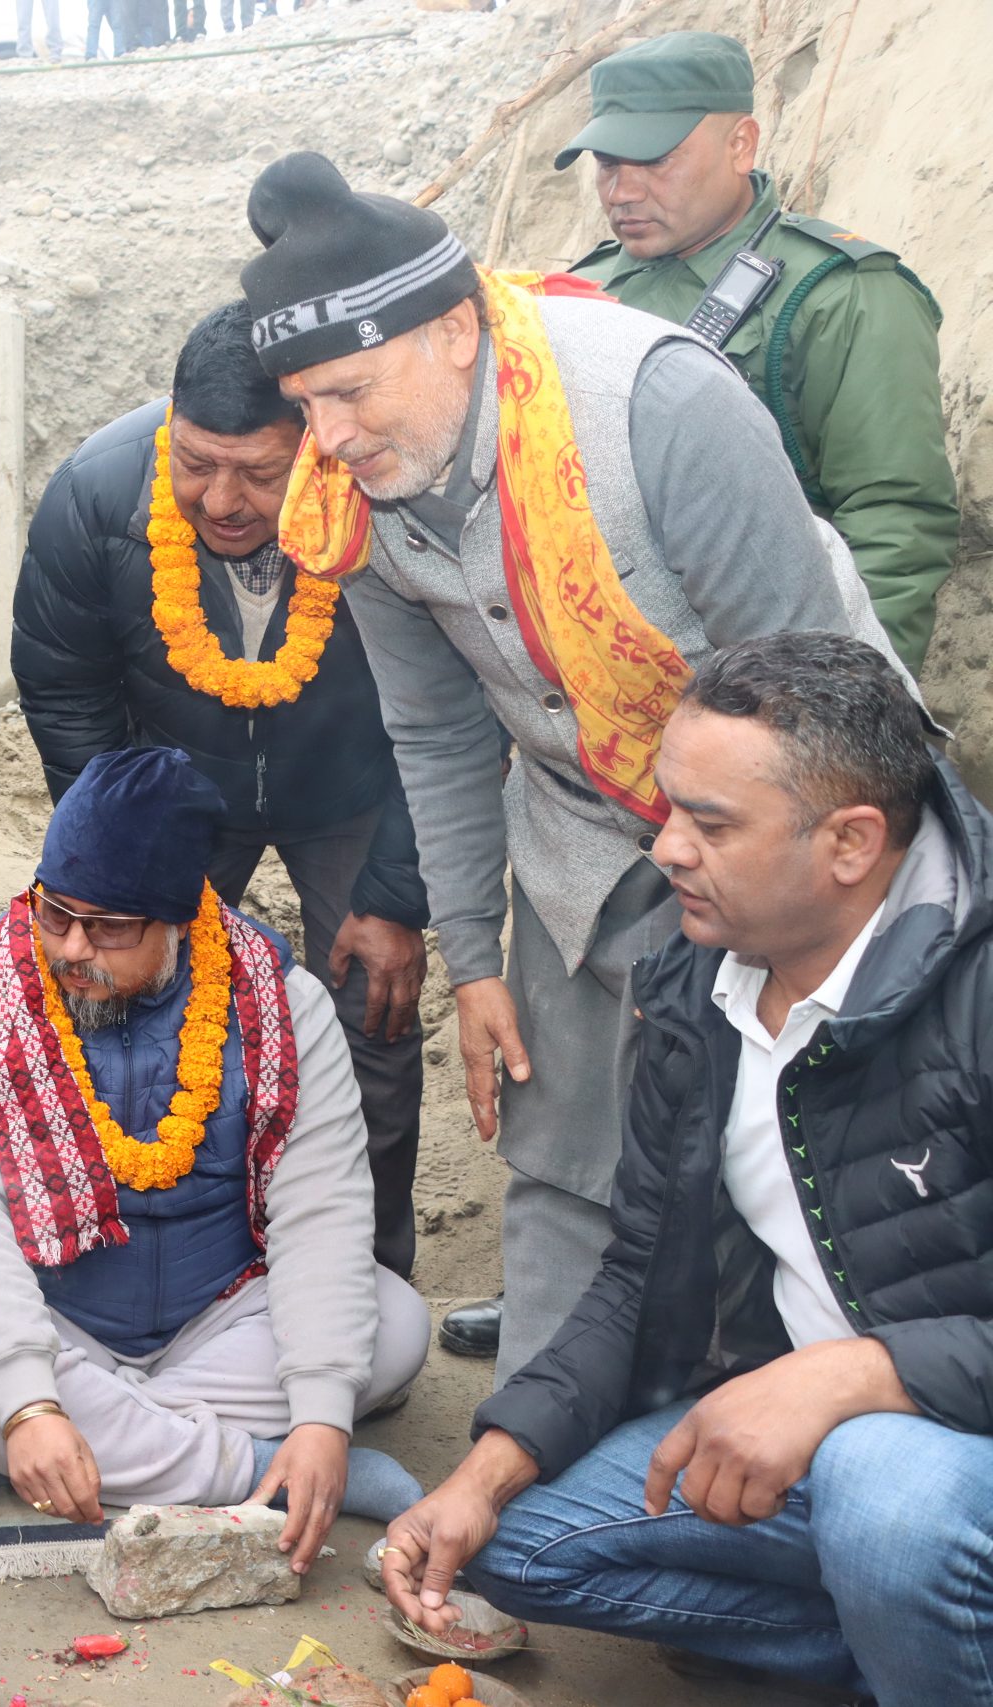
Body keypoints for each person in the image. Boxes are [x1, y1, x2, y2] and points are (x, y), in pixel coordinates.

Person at [239, 151, 906, 1378]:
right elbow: (437, 735)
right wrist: (476, 961)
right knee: (562, 1155)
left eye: (347, 392)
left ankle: (801, 1412)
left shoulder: (656, 406)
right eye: (302, 403)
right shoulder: (355, 500)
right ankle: (537, 1462)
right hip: (581, 824)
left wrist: (780, 931)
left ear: (451, 331)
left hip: (806, 809)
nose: (323, 438)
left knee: (807, 1134)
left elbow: (811, 700)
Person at [382, 633, 993, 1707]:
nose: (664, 850)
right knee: (508, 1544)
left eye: (709, 825)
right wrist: (483, 1473)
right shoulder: (689, 986)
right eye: (664, 809)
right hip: (818, 1446)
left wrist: (850, 1376)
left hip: (935, 1449)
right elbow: (634, 1273)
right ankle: (907, 1634)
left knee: (886, 1500)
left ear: (850, 842)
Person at [0, 748, 428, 1559]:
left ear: (180, 916)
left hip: (221, 1313)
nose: (71, 948)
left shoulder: (283, 998)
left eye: (107, 928)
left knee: (395, 1326)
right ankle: (239, 1465)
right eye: (54, 912)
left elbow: (322, 1211)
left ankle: (47, 1448)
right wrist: (31, 1401)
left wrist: (318, 1414)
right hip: (52, 1318)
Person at [13, 299, 430, 1278]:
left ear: (313, 439)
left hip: (350, 790)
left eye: (257, 471)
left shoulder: (382, 492)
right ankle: (141, 1268)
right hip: (177, 784)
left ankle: (363, 1289)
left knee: (372, 1016)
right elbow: (65, 689)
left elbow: (445, 709)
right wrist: (125, 864)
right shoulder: (95, 496)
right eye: (196, 463)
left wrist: (394, 895)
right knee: (123, 1005)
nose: (223, 499)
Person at [561, 31, 957, 675]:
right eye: (608, 163)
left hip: (768, 662)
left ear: (741, 144)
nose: (621, 192)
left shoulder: (838, 293)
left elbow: (896, 519)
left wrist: (834, 700)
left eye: (655, 160)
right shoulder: (587, 289)